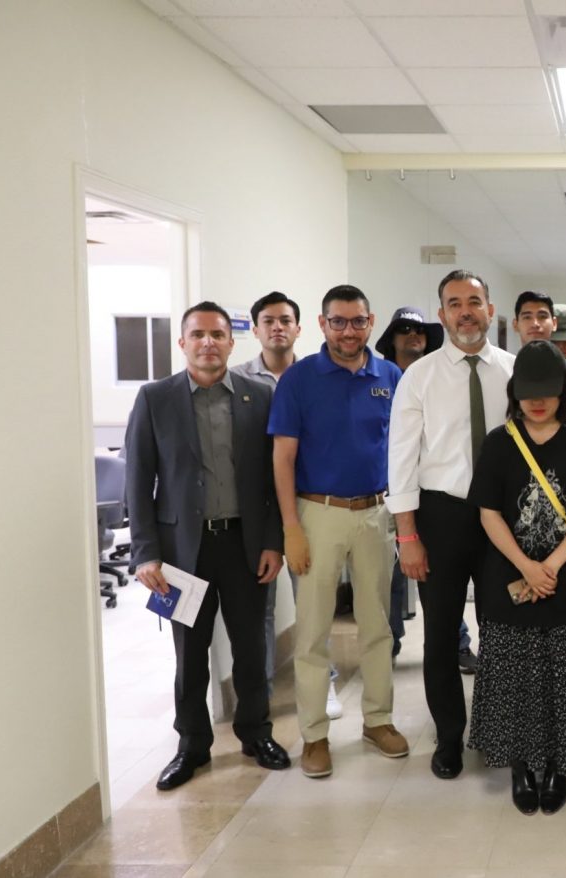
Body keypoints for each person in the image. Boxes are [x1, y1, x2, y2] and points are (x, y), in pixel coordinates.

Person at [125, 302, 289, 790]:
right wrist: (144, 552)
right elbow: (138, 480)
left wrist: (274, 542)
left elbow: (274, 480)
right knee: (190, 654)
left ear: (231, 342)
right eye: (198, 334)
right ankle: (192, 745)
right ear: (182, 343)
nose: (208, 343)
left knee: (251, 648)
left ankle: (256, 733)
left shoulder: (260, 397)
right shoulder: (155, 398)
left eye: (217, 334)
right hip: (182, 553)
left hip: (245, 545)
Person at [466, 342, 566, 815]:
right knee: (514, 673)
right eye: (527, 392)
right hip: (508, 576)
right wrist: (526, 565)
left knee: (563, 673)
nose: (537, 401)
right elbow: (488, 512)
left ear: (562, 391)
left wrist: (551, 564)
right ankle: (520, 766)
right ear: (515, 392)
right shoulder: (499, 442)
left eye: (547, 392)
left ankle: (556, 766)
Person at [269, 284, 407, 779]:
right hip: (317, 514)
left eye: (358, 321)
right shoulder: (299, 379)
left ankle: (378, 720)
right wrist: (291, 528)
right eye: (338, 321)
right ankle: (314, 735)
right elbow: (283, 457)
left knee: (378, 625)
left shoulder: (390, 376)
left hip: (375, 512)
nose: (349, 331)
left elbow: (403, 450)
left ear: (371, 323)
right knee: (312, 631)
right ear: (323, 325)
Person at [388, 269, 515, 780]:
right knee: (440, 633)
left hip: (502, 518)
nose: (466, 312)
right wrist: (407, 535)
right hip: (440, 515)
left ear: (490, 310)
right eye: (455, 303)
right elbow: (401, 459)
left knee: (502, 630)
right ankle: (448, 736)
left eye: (474, 302)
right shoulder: (419, 376)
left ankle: (496, 729)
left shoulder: (513, 371)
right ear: (442, 315)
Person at [231, 292, 343, 720]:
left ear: (299, 328)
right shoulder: (237, 381)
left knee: (313, 603)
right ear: (255, 328)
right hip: (255, 510)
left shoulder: (317, 376)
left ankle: (324, 683)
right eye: (268, 321)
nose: (277, 327)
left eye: (285, 320)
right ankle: (258, 694)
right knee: (259, 606)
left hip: (306, 504)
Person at [375, 305, 477, 674]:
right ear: (392, 339)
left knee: (442, 586)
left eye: (418, 331)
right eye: (404, 330)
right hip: (393, 494)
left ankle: (459, 643)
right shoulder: (384, 379)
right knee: (394, 578)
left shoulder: (441, 374)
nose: (413, 336)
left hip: (439, 500)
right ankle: (391, 642)